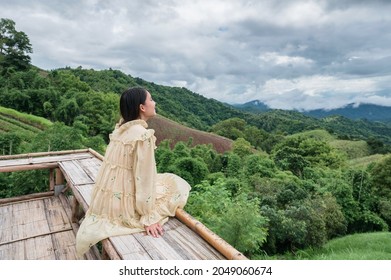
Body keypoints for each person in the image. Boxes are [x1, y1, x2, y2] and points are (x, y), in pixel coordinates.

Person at [76, 87, 191, 257]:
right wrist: (148, 216)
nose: (154, 103)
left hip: (109, 198)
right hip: (127, 202)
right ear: (142, 107)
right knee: (175, 186)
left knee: (165, 183)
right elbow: (144, 178)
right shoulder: (142, 135)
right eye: (151, 99)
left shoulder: (120, 130)